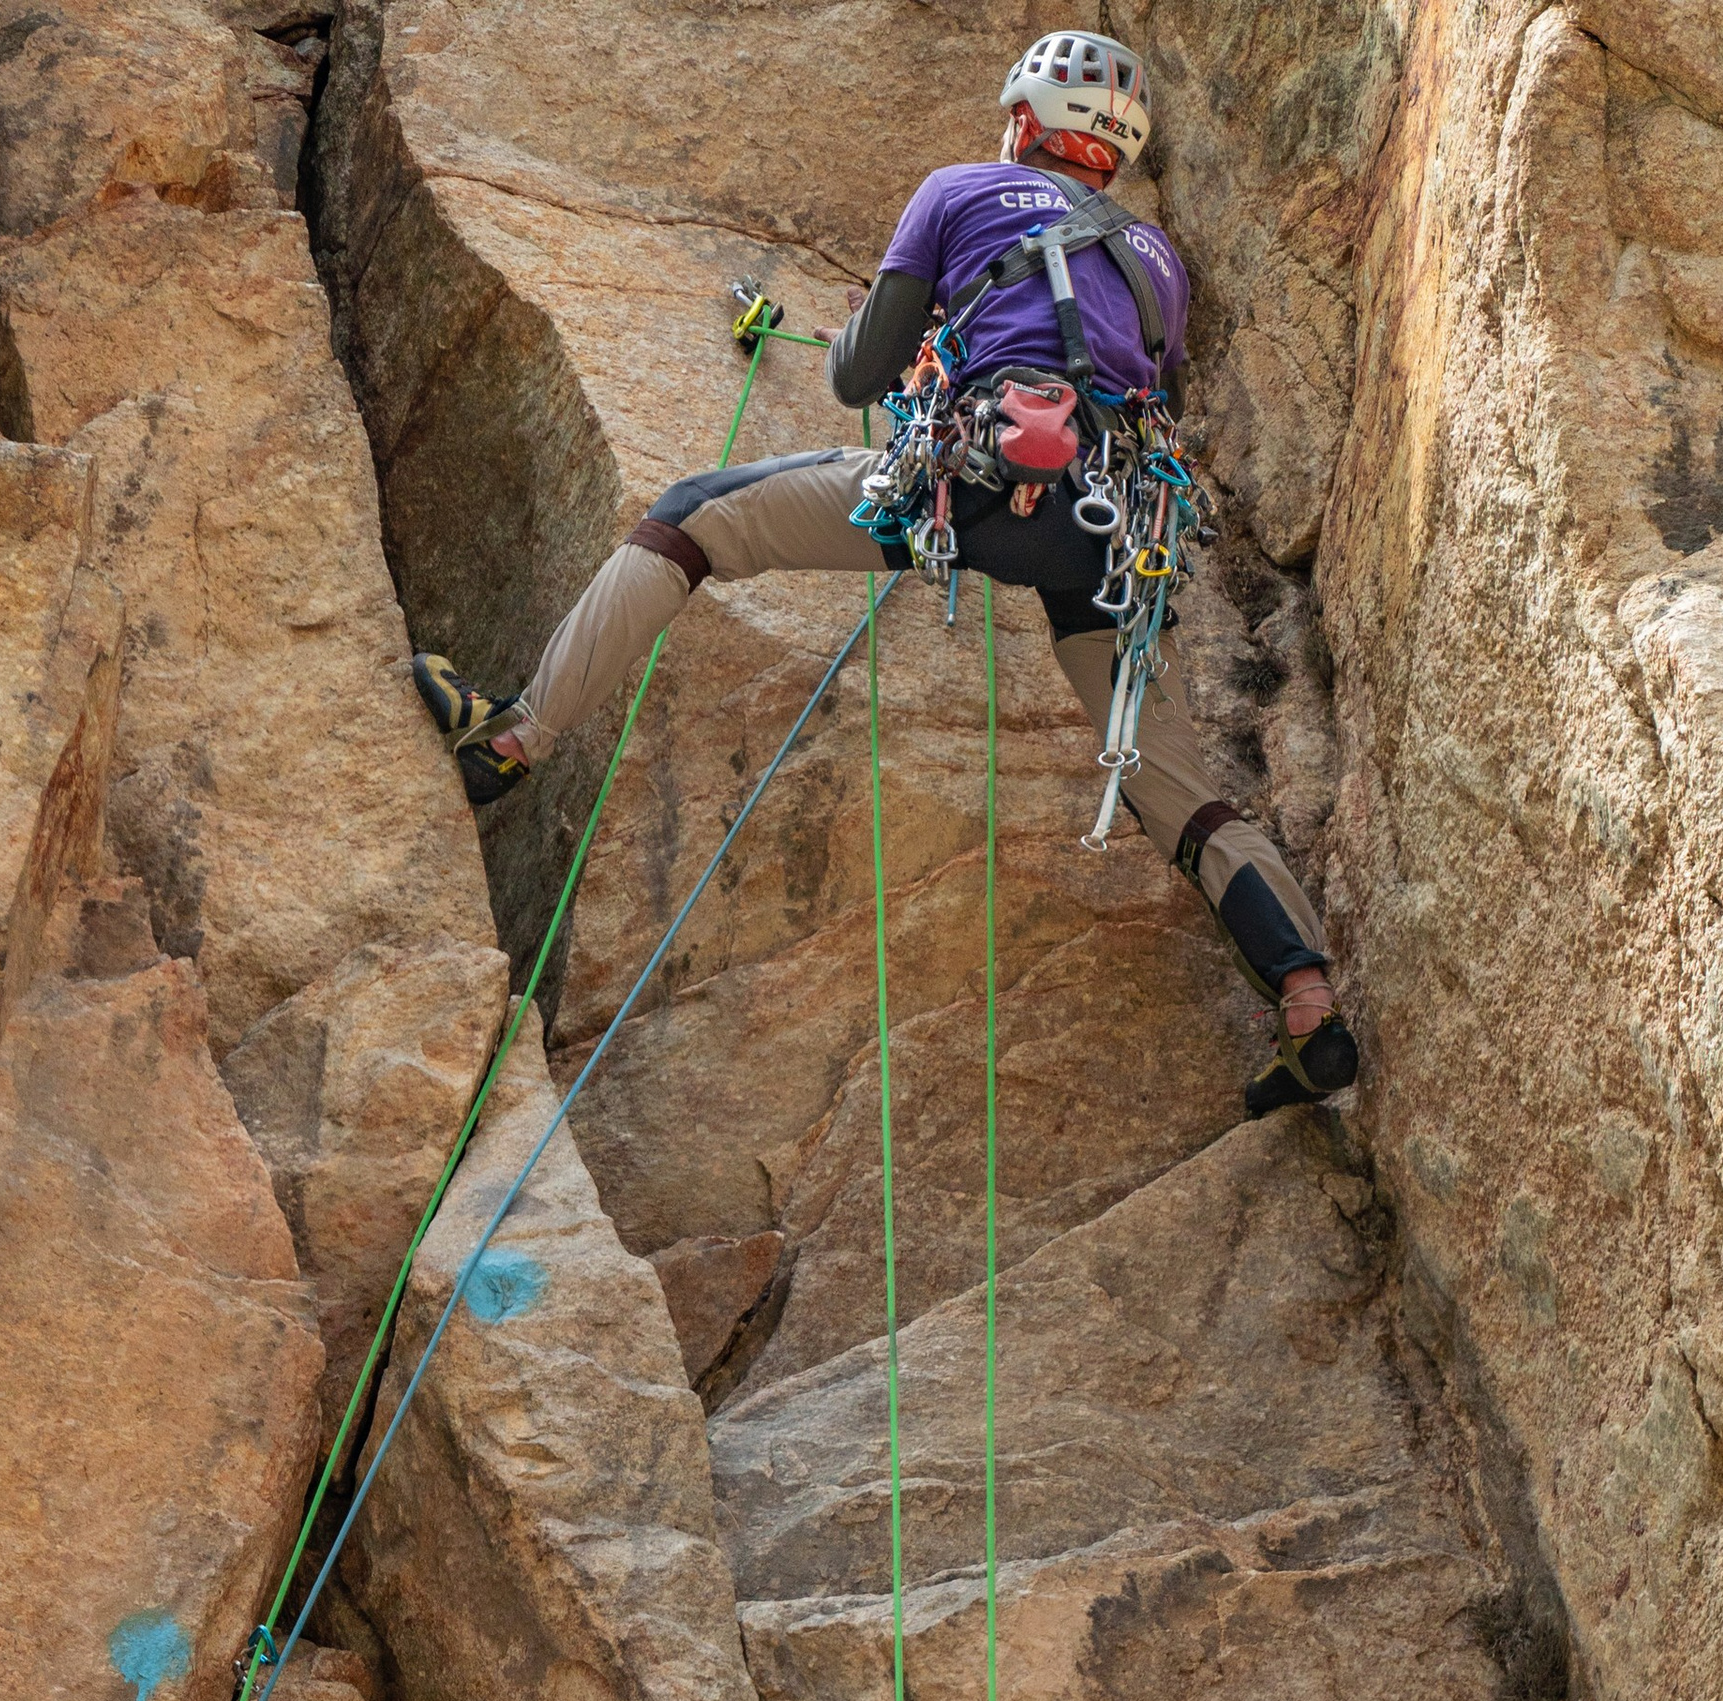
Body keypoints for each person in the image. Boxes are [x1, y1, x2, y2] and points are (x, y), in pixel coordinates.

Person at [410, 31, 1356, 1122]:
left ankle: (516, 733)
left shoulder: (960, 190)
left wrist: (895, 346)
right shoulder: (1157, 262)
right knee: (1177, 791)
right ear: (1117, 155)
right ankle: (1306, 1003)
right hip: (1102, 535)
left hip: (962, 483)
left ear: (1021, 121)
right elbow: (1154, 402)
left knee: (689, 520)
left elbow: (858, 370)